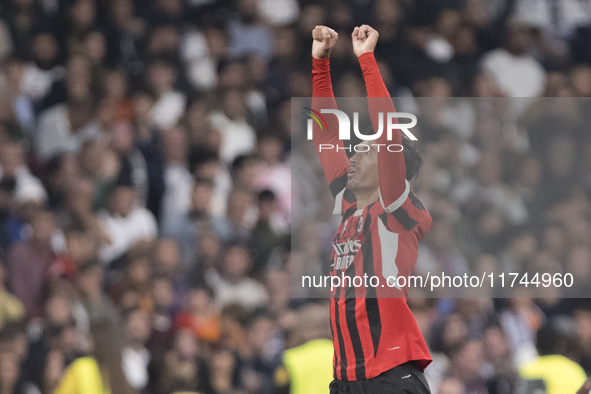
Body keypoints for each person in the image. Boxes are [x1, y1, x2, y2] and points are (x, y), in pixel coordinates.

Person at [310, 24, 432, 393]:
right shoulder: (348, 206)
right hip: (346, 378)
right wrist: (320, 63)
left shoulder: (398, 210)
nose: (353, 155)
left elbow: (387, 130)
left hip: (391, 373)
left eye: (365, 151)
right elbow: (326, 135)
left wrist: (366, 59)